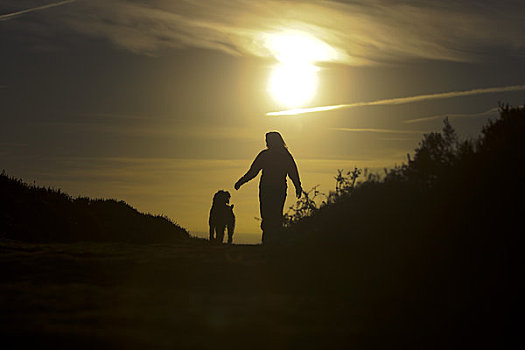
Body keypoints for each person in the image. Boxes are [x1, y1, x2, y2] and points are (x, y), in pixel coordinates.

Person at [234, 131, 302, 244]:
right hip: (275, 189)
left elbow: (253, 172)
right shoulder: (283, 155)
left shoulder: (269, 155)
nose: (266, 142)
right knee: (273, 215)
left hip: (270, 189)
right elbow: (293, 172)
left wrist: (298, 186)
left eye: (268, 140)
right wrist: (241, 181)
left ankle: (271, 242)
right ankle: (270, 242)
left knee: (269, 215)